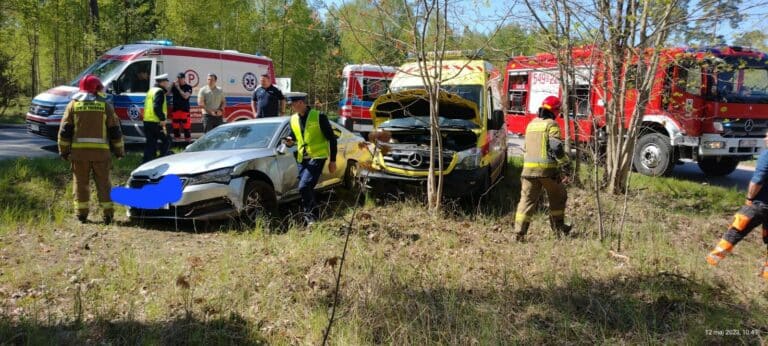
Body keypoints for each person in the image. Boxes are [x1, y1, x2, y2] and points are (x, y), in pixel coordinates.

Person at [58, 75, 124, 224]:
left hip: (79, 155)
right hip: (101, 155)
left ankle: (81, 214)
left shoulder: (73, 105)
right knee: (104, 183)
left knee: (80, 184)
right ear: (97, 89)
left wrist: (63, 150)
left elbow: (65, 131)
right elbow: (115, 131)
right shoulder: (105, 106)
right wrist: (119, 151)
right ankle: (108, 214)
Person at [707, 131, 768, 279]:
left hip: (759, 204)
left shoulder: (766, 155)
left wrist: (749, 199)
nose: (765, 138)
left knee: (735, 230)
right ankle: (766, 276)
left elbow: (757, 181)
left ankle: (711, 262)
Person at [514, 96, 572, 241]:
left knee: (526, 201)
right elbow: (556, 146)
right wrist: (565, 164)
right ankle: (558, 229)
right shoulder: (551, 124)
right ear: (555, 110)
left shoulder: (531, 124)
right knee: (559, 196)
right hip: (547, 171)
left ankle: (519, 232)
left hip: (528, 171)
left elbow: (526, 148)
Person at [282, 94, 337, 225]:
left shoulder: (319, 116)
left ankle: (311, 218)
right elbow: (293, 136)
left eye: (293, 104)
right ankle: (314, 216)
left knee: (304, 186)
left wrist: (333, 160)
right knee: (307, 188)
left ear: (301, 103)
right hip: (302, 158)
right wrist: (289, 141)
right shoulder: (293, 119)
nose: (291, 107)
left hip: (317, 156)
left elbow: (332, 138)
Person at [142, 74, 172, 163]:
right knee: (167, 140)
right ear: (162, 82)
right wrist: (162, 119)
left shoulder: (151, 90)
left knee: (150, 143)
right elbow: (156, 107)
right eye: (166, 82)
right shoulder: (159, 92)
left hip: (147, 121)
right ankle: (162, 158)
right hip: (156, 122)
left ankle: (147, 161)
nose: (167, 83)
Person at [171, 72, 193, 142]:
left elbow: (185, 96)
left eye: (181, 78)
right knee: (175, 128)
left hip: (184, 110)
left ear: (184, 78)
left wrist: (178, 88)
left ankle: (188, 143)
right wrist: (171, 85)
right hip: (175, 110)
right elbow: (167, 93)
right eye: (178, 78)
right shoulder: (174, 87)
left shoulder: (188, 87)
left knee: (186, 128)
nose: (179, 80)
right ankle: (177, 143)